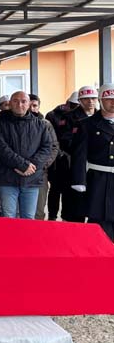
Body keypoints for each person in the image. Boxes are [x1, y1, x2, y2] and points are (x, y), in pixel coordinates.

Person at [0, 91, 54, 219]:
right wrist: (23, 165)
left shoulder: (40, 124)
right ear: (10, 103)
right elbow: (0, 148)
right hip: (7, 178)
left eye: (23, 101)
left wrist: (30, 166)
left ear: (29, 104)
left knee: (29, 218)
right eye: (15, 101)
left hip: (32, 178)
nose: (20, 104)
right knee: (8, 216)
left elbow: (47, 148)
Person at [70, 84, 114, 241]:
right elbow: (79, 155)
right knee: (98, 223)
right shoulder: (87, 124)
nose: (113, 103)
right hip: (98, 179)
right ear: (100, 100)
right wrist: (79, 181)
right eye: (109, 99)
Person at [58, 85, 99, 223]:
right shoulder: (69, 117)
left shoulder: (101, 117)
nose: (90, 102)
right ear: (80, 100)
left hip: (97, 166)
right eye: (86, 99)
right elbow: (64, 141)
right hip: (74, 164)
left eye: (93, 98)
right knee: (73, 203)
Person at [45, 91, 80, 220]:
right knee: (55, 189)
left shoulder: (80, 116)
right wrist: (59, 153)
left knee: (68, 191)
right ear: (67, 103)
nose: (76, 108)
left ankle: (66, 216)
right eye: (74, 105)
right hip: (57, 160)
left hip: (73, 159)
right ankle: (52, 216)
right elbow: (50, 138)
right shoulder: (53, 115)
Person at [28, 94, 60, 220]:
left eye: (34, 106)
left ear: (39, 107)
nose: (31, 108)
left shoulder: (46, 124)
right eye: (29, 105)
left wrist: (43, 165)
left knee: (39, 209)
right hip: (19, 171)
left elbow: (54, 147)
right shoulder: (15, 123)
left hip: (40, 172)